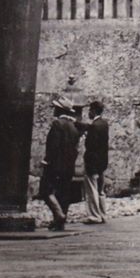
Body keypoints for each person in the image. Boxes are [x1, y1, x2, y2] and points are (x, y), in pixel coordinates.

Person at [39, 95, 81, 231]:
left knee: (45, 191)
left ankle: (59, 215)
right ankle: (60, 222)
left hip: (55, 165)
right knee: (63, 193)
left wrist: (46, 161)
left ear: (60, 110)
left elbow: (53, 146)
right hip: (68, 166)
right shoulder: (74, 128)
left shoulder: (58, 124)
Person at [79, 100, 109, 224]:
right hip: (102, 162)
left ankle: (94, 215)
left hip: (93, 163)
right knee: (100, 190)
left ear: (94, 111)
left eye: (90, 111)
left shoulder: (94, 127)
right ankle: (102, 214)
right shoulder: (103, 124)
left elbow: (92, 148)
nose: (88, 113)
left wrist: (93, 167)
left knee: (91, 189)